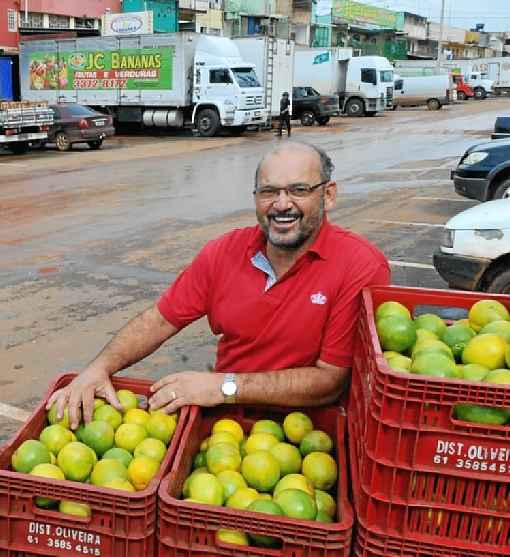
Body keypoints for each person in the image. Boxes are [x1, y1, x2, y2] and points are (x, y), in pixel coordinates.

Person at [47, 142, 390, 429]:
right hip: (223, 430)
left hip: (309, 435)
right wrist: (98, 368)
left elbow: (330, 381)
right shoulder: (224, 252)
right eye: (269, 192)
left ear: (328, 195)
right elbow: (161, 319)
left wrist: (223, 385)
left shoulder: (360, 266)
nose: (282, 204)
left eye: (299, 190)